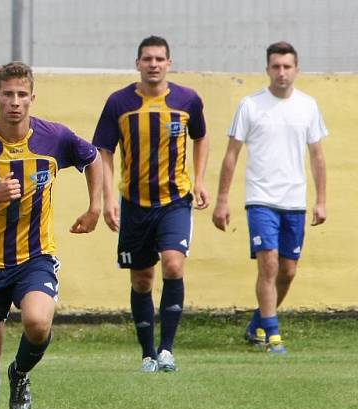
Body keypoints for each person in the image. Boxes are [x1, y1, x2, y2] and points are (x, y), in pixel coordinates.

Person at [0, 61, 103, 409]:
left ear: (32, 99)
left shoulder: (55, 138)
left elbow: (92, 158)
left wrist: (95, 208)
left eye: (22, 95)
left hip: (35, 256)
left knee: (38, 322)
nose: (15, 103)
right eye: (8, 95)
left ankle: (20, 373)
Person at [92, 35, 210, 373]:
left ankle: (167, 350)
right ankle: (147, 354)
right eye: (148, 59)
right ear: (138, 63)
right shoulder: (119, 103)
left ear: (169, 63)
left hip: (175, 200)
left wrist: (199, 181)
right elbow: (104, 150)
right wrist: (108, 197)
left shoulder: (188, 101)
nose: (154, 64)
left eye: (160, 59)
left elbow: (201, 138)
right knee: (142, 279)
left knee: (173, 265)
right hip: (134, 204)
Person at [212, 41, 327, 354]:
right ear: (267, 70)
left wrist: (321, 200)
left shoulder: (308, 106)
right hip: (260, 198)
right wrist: (222, 200)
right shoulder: (250, 105)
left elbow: (317, 156)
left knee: (288, 272)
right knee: (270, 265)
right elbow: (231, 156)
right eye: (276, 67)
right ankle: (273, 335)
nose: (282, 73)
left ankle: (257, 322)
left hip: (295, 201)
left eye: (287, 66)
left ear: (297, 70)